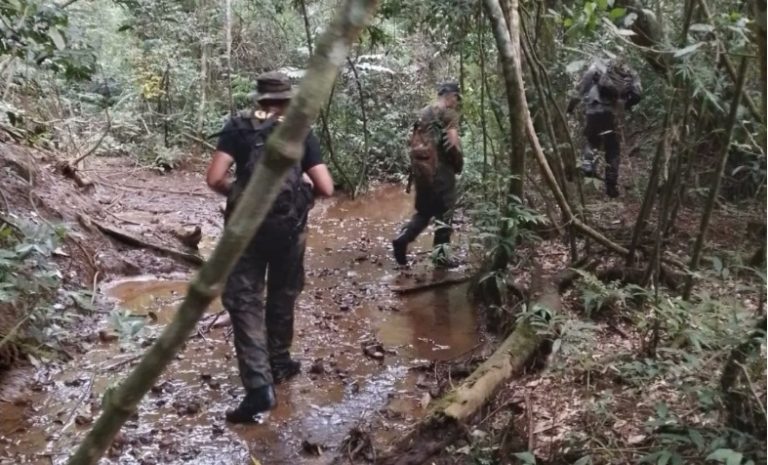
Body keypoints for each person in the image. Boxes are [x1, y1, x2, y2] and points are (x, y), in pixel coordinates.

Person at [206, 71, 334, 423]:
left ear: (259, 100)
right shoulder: (300, 131)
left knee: (244, 299)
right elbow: (326, 188)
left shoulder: (238, 126)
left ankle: (260, 386)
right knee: (284, 291)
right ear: (288, 100)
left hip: (245, 232)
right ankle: (280, 361)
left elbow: (215, 178)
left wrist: (241, 197)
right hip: (290, 230)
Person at [392, 82, 464, 267]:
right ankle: (441, 258)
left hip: (422, 172)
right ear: (450, 96)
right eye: (457, 98)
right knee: (445, 213)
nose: (456, 103)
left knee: (424, 212)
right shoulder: (448, 114)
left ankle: (403, 238)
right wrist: (458, 164)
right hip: (441, 172)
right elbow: (453, 144)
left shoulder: (424, 112)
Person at [567, 58, 642, 198]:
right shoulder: (629, 71)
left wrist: (570, 108)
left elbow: (581, 87)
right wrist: (624, 105)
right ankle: (611, 186)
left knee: (592, 140)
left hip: (594, 108)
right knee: (613, 149)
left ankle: (588, 166)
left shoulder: (597, 66)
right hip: (615, 112)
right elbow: (637, 95)